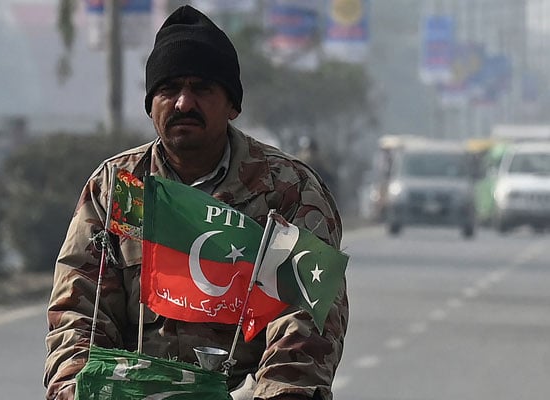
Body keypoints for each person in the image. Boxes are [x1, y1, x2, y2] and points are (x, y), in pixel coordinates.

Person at [44, 5, 348, 400]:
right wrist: (80, 390)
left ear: (232, 106)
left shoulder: (288, 191)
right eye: (169, 89)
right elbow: (77, 315)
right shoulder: (120, 189)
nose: (184, 103)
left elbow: (306, 326)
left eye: (202, 88)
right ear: (151, 104)